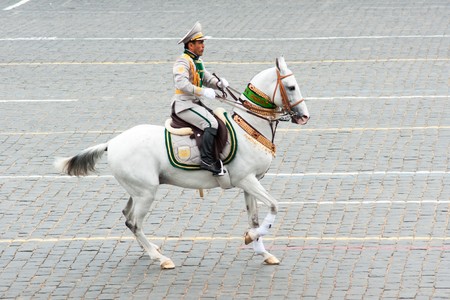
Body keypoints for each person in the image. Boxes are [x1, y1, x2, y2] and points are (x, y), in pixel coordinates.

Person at [171, 21, 229, 175]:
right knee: (211, 123)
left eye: (203, 42)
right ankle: (206, 160)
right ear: (191, 45)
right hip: (184, 105)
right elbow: (182, 83)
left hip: (194, 103)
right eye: (200, 43)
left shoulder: (197, 61)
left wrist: (219, 84)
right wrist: (202, 92)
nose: (203, 46)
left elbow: (206, 78)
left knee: (218, 119)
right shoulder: (183, 61)